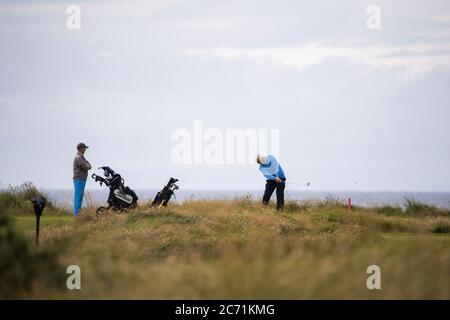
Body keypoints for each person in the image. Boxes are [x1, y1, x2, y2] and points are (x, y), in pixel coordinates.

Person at [73, 142, 91, 216]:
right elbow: (87, 166)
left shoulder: (81, 157)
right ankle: (76, 213)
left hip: (81, 179)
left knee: (80, 196)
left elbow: (89, 165)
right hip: (79, 179)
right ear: (81, 148)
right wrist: (88, 165)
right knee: (78, 196)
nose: (85, 150)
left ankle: (78, 213)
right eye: (84, 148)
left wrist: (88, 164)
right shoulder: (79, 158)